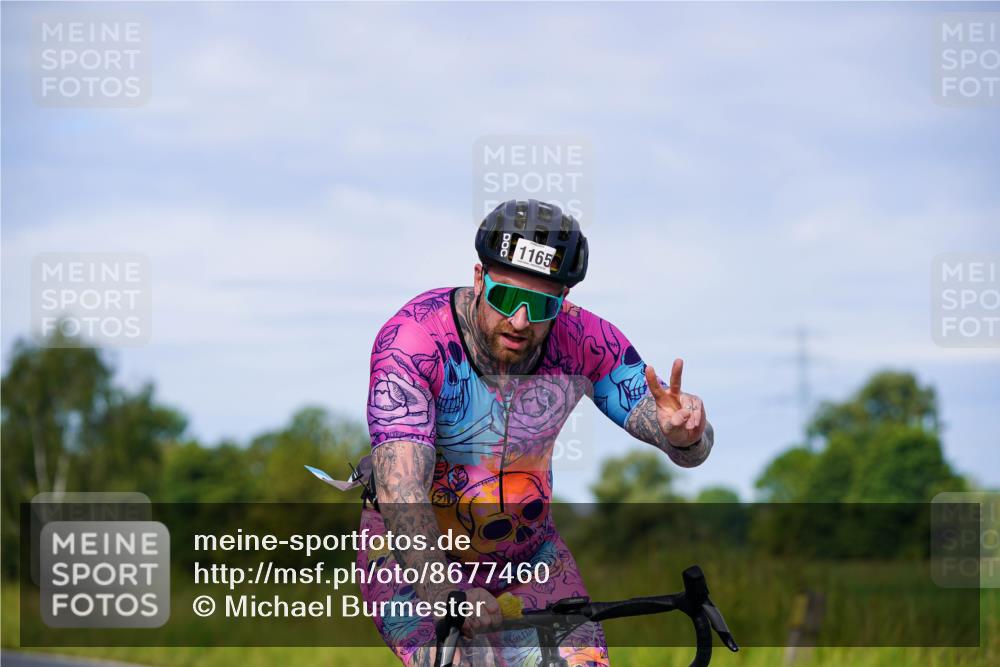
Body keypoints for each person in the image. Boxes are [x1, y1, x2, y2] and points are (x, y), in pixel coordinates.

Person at [358, 199, 714, 666]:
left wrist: (686, 435)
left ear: (563, 300)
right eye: (506, 298)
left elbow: (681, 439)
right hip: (417, 560)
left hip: (530, 558)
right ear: (479, 278)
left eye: (543, 304)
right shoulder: (414, 340)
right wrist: (447, 594)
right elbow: (400, 487)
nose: (521, 320)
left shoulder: (584, 339)